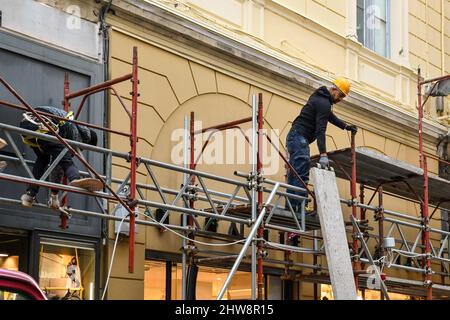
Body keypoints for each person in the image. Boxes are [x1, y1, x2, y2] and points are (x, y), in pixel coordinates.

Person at [286, 78, 358, 213]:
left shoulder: (320, 98)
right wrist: (323, 154)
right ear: (334, 89)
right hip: (299, 138)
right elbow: (320, 131)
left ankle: (291, 206)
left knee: (295, 172)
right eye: (341, 95)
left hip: (294, 137)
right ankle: (300, 207)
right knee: (301, 172)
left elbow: (329, 116)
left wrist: (345, 126)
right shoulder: (324, 102)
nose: (341, 99)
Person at [19, 106, 102, 209]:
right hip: (43, 127)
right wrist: (54, 196)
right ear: (87, 142)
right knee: (66, 161)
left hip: (26, 124)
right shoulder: (78, 136)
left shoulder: (71, 124)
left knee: (42, 160)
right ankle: (75, 178)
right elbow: (58, 167)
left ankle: (29, 195)